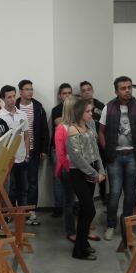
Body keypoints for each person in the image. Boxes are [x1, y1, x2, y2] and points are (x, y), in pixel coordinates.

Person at [98, 76, 136, 241]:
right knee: (114, 193)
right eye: (123, 88)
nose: (127, 90)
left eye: (129, 87)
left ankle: (126, 225)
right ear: (116, 91)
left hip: (133, 157)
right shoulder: (108, 108)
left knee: (130, 194)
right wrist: (107, 151)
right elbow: (101, 132)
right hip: (114, 158)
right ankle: (111, 225)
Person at [66, 99, 105, 261]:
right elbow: (77, 159)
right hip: (79, 174)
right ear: (79, 113)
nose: (91, 114)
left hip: (92, 171)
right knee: (90, 210)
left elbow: (96, 151)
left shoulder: (91, 125)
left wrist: (101, 169)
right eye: (88, 111)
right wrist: (94, 174)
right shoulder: (72, 130)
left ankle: (83, 244)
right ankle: (78, 251)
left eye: (91, 111)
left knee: (84, 210)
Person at [16, 80, 49, 225]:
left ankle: (31, 211)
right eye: (27, 89)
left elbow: (44, 130)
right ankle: (18, 211)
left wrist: (44, 149)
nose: (30, 91)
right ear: (20, 92)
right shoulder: (15, 106)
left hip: (33, 150)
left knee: (32, 182)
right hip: (18, 152)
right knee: (18, 183)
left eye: (31, 89)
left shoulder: (38, 107)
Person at [0, 85, 30, 207]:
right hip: (7, 159)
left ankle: (23, 213)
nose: (12, 99)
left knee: (23, 188)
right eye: (9, 97)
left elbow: (26, 136)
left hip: (22, 157)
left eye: (13, 96)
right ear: (3, 99)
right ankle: (9, 214)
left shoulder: (22, 114)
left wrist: (27, 154)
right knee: (10, 190)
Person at [54, 96, 78, 243]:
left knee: (82, 201)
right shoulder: (61, 128)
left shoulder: (80, 126)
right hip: (67, 170)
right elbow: (61, 155)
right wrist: (72, 169)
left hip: (80, 170)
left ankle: (84, 228)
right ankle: (70, 231)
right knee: (69, 202)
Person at [79, 80, 107, 203]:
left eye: (88, 89)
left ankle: (103, 195)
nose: (86, 92)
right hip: (86, 145)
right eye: (83, 91)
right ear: (81, 93)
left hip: (100, 143)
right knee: (88, 171)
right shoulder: (79, 107)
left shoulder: (101, 106)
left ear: (92, 91)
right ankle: (86, 199)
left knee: (102, 168)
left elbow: (106, 124)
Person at [50, 83, 74, 217]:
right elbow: (60, 123)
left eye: (69, 93)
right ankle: (58, 206)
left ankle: (73, 205)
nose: (67, 95)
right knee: (58, 178)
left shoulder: (77, 108)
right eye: (64, 93)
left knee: (74, 178)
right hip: (58, 149)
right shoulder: (56, 109)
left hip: (74, 150)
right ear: (60, 96)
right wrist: (73, 122)